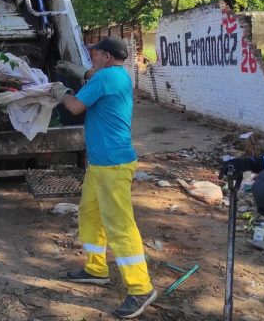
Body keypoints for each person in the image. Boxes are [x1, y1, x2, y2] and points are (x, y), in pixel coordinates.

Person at [51, 36, 156, 319]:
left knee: (119, 226)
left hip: (112, 164)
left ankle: (141, 288)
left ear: (106, 57)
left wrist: (59, 91)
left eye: (94, 54)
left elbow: (74, 107)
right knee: (89, 215)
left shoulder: (106, 78)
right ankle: (96, 268)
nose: (91, 58)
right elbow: (92, 75)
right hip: (101, 164)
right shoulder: (115, 74)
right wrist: (77, 70)